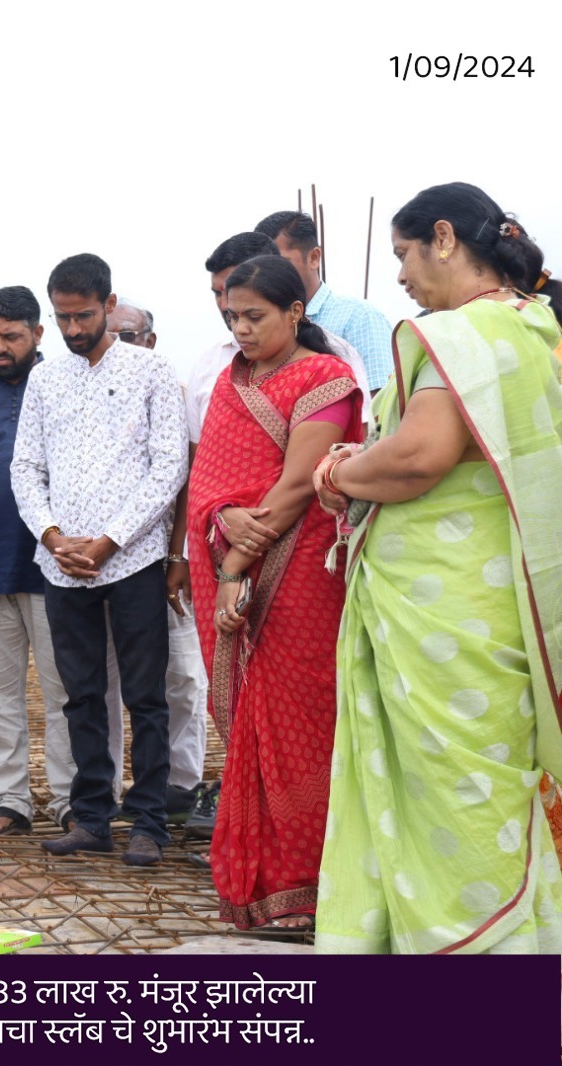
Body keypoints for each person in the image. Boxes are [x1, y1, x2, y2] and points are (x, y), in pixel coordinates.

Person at [313, 182, 562, 953]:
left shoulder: (461, 337)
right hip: (493, 606)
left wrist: (339, 473)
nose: (399, 277)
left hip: (447, 619)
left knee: (450, 798)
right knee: (490, 788)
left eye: (403, 254)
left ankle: (473, 977)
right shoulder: (537, 328)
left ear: (445, 238)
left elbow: (420, 455)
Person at [172, 232, 373, 841]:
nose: (241, 329)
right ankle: (258, 866)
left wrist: (234, 567)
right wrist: (218, 514)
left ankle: (311, 873)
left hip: (299, 570)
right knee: (243, 717)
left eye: (254, 316)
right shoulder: (230, 380)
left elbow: (298, 486)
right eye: (232, 316)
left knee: (303, 715)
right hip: (230, 554)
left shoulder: (326, 377)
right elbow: (205, 477)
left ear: (294, 311)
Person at [11, 253, 187, 867]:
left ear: (110, 305)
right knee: (80, 694)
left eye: (83, 314)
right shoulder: (45, 378)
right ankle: (91, 818)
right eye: (61, 317)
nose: (71, 328)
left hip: (132, 559)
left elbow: (169, 468)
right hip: (62, 563)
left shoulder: (152, 371)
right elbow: (26, 467)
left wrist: (111, 539)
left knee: (146, 696)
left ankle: (148, 823)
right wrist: (54, 536)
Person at [0, 286, 122, 836]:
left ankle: (74, 800)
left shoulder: (65, 385)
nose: (1, 347)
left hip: (60, 571)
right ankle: (9, 799)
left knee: (67, 689)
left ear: (38, 334)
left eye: (12, 337)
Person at [107, 300, 208, 823]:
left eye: (128, 336)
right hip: (107, 565)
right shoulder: (87, 398)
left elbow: (190, 483)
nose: (118, 347)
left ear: (150, 340)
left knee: (183, 675)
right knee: (118, 681)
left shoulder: (179, 395)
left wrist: (180, 555)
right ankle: (123, 787)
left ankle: (181, 783)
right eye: (111, 336)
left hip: (172, 560)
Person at [255, 210, 394, 393]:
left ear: (313, 258)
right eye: (262, 265)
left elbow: (380, 403)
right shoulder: (257, 328)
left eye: (280, 262)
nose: (269, 273)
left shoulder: (359, 318)